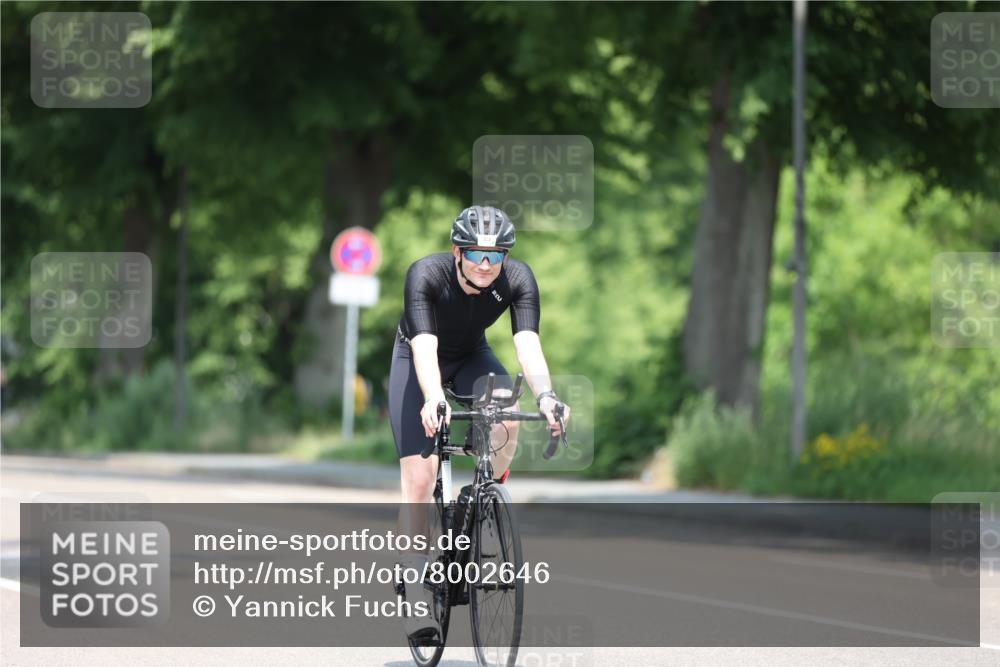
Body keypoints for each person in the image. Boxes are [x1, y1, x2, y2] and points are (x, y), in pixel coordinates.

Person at [388, 205, 570, 639]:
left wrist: (547, 396)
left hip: (472, 354)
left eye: (497, 256)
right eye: (476, 255)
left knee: (508, 405)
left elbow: (527, 345)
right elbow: (425, 348)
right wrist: (433, 397)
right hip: (418, 360)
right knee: (420, 476)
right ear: (457, 251)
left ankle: (490, 490)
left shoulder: (519, 279)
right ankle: (415, 586)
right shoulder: (426, 275)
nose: (487, 265)